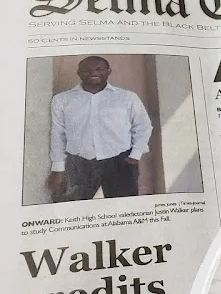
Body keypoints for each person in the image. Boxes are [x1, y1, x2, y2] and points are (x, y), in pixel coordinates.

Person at [48, 57, 154, 202]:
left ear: (108, 71)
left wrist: (135, 155)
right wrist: (58, 168)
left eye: (99, 69)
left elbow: (143, 125)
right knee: (69, 208)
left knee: (124, 208)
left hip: (120, 161)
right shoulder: (62, 100)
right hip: (78, 163)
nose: (93, 73)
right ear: (78, 72)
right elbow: (58, 134)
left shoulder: (127, 97)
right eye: (87, 70)